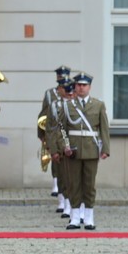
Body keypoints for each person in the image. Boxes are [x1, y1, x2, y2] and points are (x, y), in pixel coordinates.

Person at [56, 72, 109, 230]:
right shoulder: (67, 106)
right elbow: (61, 129)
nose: (81, 88)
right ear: (75, 86)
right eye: (78, 85)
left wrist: (105, 148)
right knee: (74, 184)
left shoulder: (98, 105)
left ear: (89, 87)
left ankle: (89, 218)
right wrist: (64, 146)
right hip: (73, 151)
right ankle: (74, 217)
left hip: (91, 150)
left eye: (84, 85)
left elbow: (104, 129)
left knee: (89, 184)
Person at [39, 66, 71, 202]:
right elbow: (44, 113)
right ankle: (56, 185)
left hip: (68, 133)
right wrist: (42, 134)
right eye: (60, 76)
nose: (62, 78)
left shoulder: (73, 95)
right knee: (56, 160)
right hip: (54, 130)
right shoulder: (49, 93)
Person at [46, 78, 76, 220]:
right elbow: (51, 129)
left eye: (72, 94)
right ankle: (65, 203)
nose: (70, 96)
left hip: (76, 145)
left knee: (74, 178)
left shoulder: (78, 107)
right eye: (67, 93)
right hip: (60, 144)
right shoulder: (54, 106)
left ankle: (76, 206)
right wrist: (53, 149)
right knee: (62, 177)